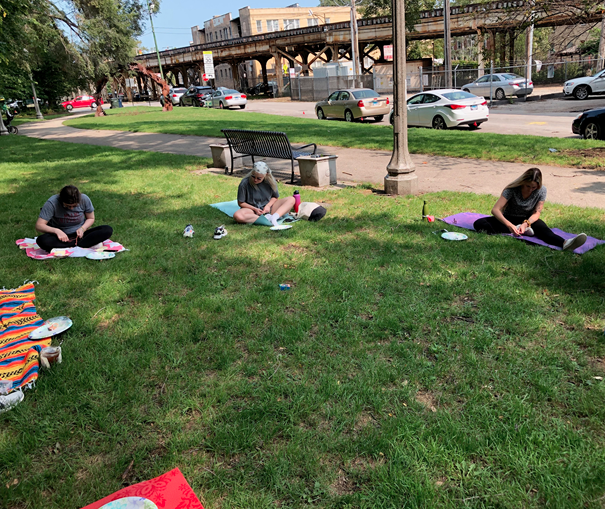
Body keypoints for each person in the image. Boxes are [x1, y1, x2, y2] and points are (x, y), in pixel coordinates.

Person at [473, 168, 587, 251]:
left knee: (544, 230)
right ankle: (517, 229)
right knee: (479, 224)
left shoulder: (542, 190)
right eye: (528, 186)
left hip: (528, 220)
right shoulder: (512, 189)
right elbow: (495, 210)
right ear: (523, 182)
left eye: (534, 187)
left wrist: (526, 223)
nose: (531, 190)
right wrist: (509, 225)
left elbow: (537, 212)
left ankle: (565, 243)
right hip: (510, 218)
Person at [35, 185, 113, 253]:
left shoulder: (85, 199)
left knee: (107, 229)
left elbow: (91, 218)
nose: (71, 208)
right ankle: (83, 244)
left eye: (74, 206)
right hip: (60, 237)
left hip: (80, 234)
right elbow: (39, 225)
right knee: (42, 240)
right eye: (68, 206)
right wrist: (57, 231)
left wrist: (82, 228)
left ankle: (67, 246)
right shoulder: (52, 203)